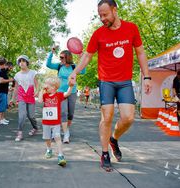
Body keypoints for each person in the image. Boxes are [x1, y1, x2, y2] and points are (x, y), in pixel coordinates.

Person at [69, 0, 152, 171]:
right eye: (100, 15)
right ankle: (105, 152)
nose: (102, 18)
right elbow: (87, 56)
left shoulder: (131, 28)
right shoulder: (98, 34)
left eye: (105, 14)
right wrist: (75, 72)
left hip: (125, 82)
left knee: (129, 118)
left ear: (115, 10)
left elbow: (141, 53)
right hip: (106, 81)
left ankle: (114, 139)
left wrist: (147, 77)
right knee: (106, 117)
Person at [46, 48, 85, 143]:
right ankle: (63, 132)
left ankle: (66, 128)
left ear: (67, 57)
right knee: (63, 112)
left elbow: (83, 71)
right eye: (60, 57)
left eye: (62, 57)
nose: (60, 59)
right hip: (60, 92)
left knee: (70, 114)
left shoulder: (74, 67)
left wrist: (82, 58)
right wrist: (52, 53)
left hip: (72, 92)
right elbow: (48, 64)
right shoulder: (59, 66)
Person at [38, 76, 73, 167]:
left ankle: (61, 155)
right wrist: (42, 90)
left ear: (53, 87)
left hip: (56, 123)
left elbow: (67, 93)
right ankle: (49, 149)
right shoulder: (45, 95)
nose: (45, 86)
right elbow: (40, 100)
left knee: (57, 137)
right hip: (46, 122)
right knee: (47, 138)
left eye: (47, 85)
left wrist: (71, 86)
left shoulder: (58, 95)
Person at [14, 55, 39, 141]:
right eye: (20, 61)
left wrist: (37, 91)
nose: (22, 63)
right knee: (22, 115)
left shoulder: (33, 72)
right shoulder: (17, 75)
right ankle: (19, 133)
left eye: (23, 61)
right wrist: (13, 98)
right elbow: (16, 87)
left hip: (30, 95)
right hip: (21, 96)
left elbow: (36, 84)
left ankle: (35, 128)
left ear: (27, 62)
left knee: (31, 116)